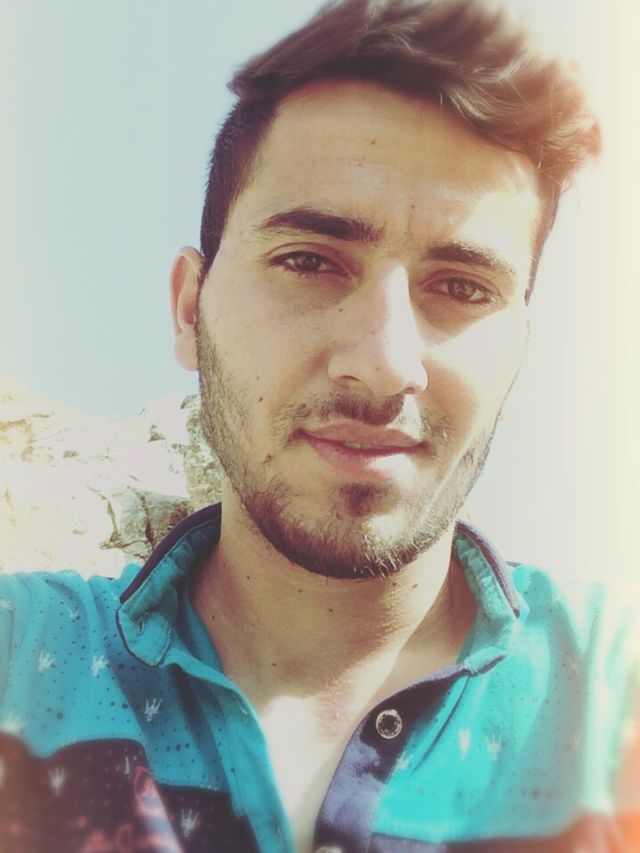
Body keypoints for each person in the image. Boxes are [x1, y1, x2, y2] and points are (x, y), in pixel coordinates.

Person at [1, 0, 638, 850]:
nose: (383, 364)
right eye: (308, 261)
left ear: (521, 345)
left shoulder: (613, 704)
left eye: (461, 287)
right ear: (190, 309)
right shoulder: (21, 658)